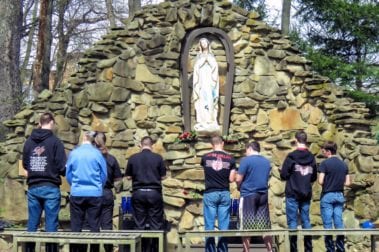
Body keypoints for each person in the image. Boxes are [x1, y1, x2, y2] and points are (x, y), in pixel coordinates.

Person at [22, 112, 66, 252]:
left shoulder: (29, 142)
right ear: (52, 123)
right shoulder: (55, 142)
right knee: (51, 225)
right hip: (50, 186)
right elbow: (61, 166)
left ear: (40, 123)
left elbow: (25, 164)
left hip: (33, 186)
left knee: (32, 224)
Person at [66, 131, 107, 252]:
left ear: (83, 138)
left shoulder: (74, 153)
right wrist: (99, 186)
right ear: (92, 140)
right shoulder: (97, 154)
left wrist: (74, 185)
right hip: (95, 193)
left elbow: (68, 174)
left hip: (77, 192)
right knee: (94, 226)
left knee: (76, 225)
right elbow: (104, 174)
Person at [125, 136, 166, 252]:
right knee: (156, 225)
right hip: (154, 193)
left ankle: (140, 249)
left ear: (141, 145)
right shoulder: (158, 158)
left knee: (139, 223)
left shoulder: (133, 158)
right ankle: (154, 249)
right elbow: (163, 176)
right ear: (151, 145)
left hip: (139, 192)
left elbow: (128, 176)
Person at [280, 131, 317, 252]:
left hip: (292, 192)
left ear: (296, 140)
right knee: (306, 220)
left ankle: (293, 249)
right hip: (306, 193)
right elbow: (314, 177)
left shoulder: (291, 157)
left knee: (292, 222)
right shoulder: (312, 158)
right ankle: (308, 249)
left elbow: (284, 175)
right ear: (306, 140)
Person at [201, 135, 236, 252]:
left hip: (210, 193)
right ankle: (222, 250)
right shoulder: (231, 159)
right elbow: (231, 179)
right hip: (224, 193)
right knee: (224, 225)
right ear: (223, 143)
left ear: (212, 145)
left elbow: (205, 172)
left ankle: (210, 250)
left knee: (209, 224)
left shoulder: (205, 158)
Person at [235, 141, 272, 252]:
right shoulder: (266, 162)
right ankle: (270, 250)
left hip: (248, 195)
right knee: (264, 225)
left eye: (246, 150)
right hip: (263, 195)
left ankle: (246, 250)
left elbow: (238, 179)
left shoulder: (246, 160)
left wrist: (238, 187)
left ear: (250, 148)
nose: (246, 153)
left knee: (247, 224)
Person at [319, 141, 351, 252]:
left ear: (328, 151)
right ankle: (341, 248)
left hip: (327, 195)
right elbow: (347, 183)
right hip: (339, 195)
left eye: (323, 150)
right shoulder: (343, 164)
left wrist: (329, 182)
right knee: (339, 223)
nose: (322, 152)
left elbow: (320, 181)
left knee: (328, 224)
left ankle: (330, 249)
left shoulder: (324, 164)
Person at [93, 132, 123, 252]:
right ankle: (108, 250)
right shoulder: (111, 159)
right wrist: (116, 189)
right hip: (106, 193)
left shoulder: (90, 157)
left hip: (92, 193)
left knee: (91, 225)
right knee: (107, 226)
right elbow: (118, 181)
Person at [192, 37, 220, 132]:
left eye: (205, 42)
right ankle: (202, 120)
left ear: (208, 44)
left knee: (210, 100)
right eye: (202, 43)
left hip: (209, 82)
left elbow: (215, 66)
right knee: (201, 100)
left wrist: (209, 61)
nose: (204, 44)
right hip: (201, 82)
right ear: (200, 45)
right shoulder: (199, 56)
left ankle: (211, 119)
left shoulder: (211, 56)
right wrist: (203, 61)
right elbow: (196, 68)